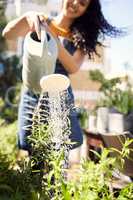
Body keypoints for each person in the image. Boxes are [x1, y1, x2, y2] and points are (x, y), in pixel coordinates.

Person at [2, 0, 121, 165]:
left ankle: (56, 188)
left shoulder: (81, 36)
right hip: (33, 93)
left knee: (58, 150)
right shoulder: (40, 21)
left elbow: (73, 67)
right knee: (32, 145)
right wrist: (26, 17)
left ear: (86, 10)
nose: (75, 4)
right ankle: (35, 188)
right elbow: (8, 34)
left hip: (59, 97)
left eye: (83, 3)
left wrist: (54, 40)